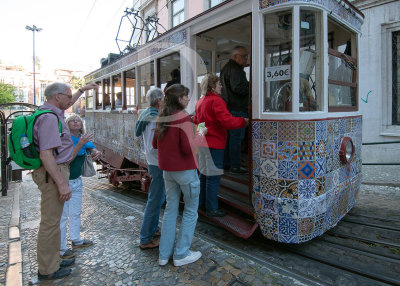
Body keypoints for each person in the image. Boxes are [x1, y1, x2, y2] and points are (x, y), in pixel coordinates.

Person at [32, 82, 97, 280]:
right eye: (68, 97)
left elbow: (69, 101)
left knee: (53, 220)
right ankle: (48, 269)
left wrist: (82, 90)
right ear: (57, 96)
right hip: (53, 173)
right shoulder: (50, 119)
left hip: (55, 172)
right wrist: (61, 183)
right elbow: (46, 155)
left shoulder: (52, 112)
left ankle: (54, 260)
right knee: (51, 223)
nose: (71, 101)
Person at [153, 84, 205, 267]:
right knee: (190, 211)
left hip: (168, 172)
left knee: (170, 210)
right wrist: (199, 134)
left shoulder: (162, 117)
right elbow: (187, 148)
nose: (188, 99)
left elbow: (155, 144)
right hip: (185, 171)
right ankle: (181, 253)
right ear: (179, 99)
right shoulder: (183, 118)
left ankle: (163, 255)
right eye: (186, 96)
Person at [193, 74, 248, 217]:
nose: (221, 86)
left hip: (203, 143)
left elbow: (197, 121)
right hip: (215, 144)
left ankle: (201, 204)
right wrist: (243, 121)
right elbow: (227, 121)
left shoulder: (200, 102)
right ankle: (212, 208)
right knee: (213, 176)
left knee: (204, 175)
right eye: (219, 84)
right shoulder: (217, 101)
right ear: (212, 87)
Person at [59, 115, 102, 260]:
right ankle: (61, 247)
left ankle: (76, 239)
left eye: (78, 120)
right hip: (64, 181)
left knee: (76, 212)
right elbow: (66, 159)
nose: (76, 122)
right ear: (67, 123)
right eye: (72, 120)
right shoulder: (65, 138)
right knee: (63, 215)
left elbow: (92, 148)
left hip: (76, 180)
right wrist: (81, 144)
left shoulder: (83, 138)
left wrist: (96, 152)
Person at [135, 88, 165, 249]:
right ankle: (145, 238)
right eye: (164, 98)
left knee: (158, 198)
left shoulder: (147, 113)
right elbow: (153, 146)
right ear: (159, 101)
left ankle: (152, 229)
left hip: (153, 161)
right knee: (155, 200)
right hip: (157, 162)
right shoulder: (154, 118)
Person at [220, 46, 250, 174]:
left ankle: (227, 164)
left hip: (228, 108)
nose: (246, 59)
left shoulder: (225, 68)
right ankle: (235, 166)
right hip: (237, 109)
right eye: (243, 56)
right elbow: (238, 88)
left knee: (229, 138)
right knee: (236, 138)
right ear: (235, 56)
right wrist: (251, 87)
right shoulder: (236, 69)